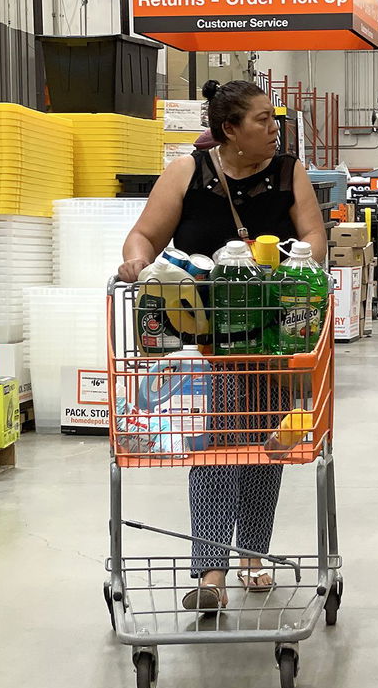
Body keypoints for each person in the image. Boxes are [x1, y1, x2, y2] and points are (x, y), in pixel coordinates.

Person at [119, 79, 327, 611]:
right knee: (213, 448)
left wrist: (292, 267)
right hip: (202, 343)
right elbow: (144, 235)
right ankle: (211, 571)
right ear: (229, 130)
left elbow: (316, 242)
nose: (274, 127)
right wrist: (137, 263)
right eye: (262, 120)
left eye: (274, 118)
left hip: (273, 338)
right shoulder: (188, 172)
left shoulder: (289, 173)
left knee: (266, 447)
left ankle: (253, 554)